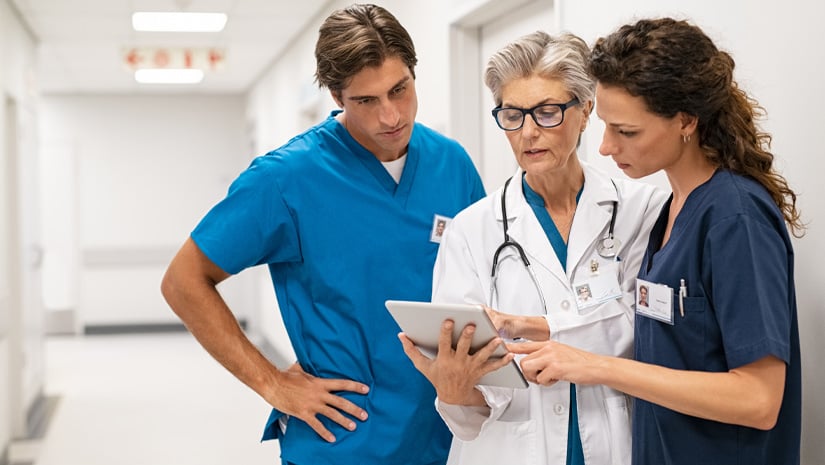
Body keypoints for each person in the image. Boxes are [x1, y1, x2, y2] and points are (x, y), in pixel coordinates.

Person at [160, 4, 485, 465]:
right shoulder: (286, 180)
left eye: (400, 89)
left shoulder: (452, 164)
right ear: (336, 96)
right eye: (366, 101)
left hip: (448, 438)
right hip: (343, 442)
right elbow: (183, 281)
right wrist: (271, 382)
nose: (390, 116)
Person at [510, 17, 804, 465]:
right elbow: (677, 342)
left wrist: (595, 367)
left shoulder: (734, 218)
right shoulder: (672, 210)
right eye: (605, 126)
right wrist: (551, 330)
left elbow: (759, 399)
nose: (606, 147)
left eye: (626, 131)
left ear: (685, 121)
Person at [399, 31, 666, 465]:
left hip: (617, 442)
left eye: (546, 113)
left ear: (585, 113)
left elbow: (645, 334)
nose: (527, 133)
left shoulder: (641, 211)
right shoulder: (471, 231)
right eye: (512, 114)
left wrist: (541, 326)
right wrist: (454, 388)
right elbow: (469, 414)